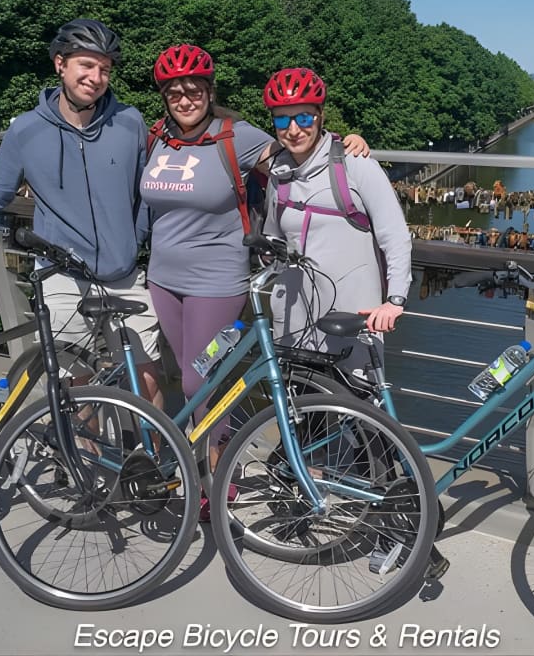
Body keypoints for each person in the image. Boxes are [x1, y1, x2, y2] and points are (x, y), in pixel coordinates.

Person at [139, 44, 370, 492]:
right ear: (165, 99)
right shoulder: (155, 137)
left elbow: (297, 152)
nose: (185, 100)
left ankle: (214, 478)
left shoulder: (236, 137)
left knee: (198, 379)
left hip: (218, 278)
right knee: (185, 376)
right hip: (163, 277)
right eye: (174, 94)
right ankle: (202, 465)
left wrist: (343, 142)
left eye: (194, 90)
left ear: (210, 91)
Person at [0, 19, 162, 406]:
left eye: (105, 69)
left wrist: (134, 240)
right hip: (61, 277)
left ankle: (154, 462)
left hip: (123, 274)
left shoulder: (130, 121)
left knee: (147, 376)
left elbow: (146, 193)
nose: (96, 77)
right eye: (86, 66)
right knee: (76, 386)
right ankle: (85, 464)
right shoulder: (26, 131)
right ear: (60, 64)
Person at [261, 67, 413, 377]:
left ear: (320, 116)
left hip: (352, 320)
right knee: (302, 417)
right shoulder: (278, 174)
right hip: (295, 320)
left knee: (362, 415)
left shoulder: (355, 165)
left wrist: (395, 300)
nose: (293, 129)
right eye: (282, 119)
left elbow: (395, 235)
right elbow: (273, 238)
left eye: (303, 118)